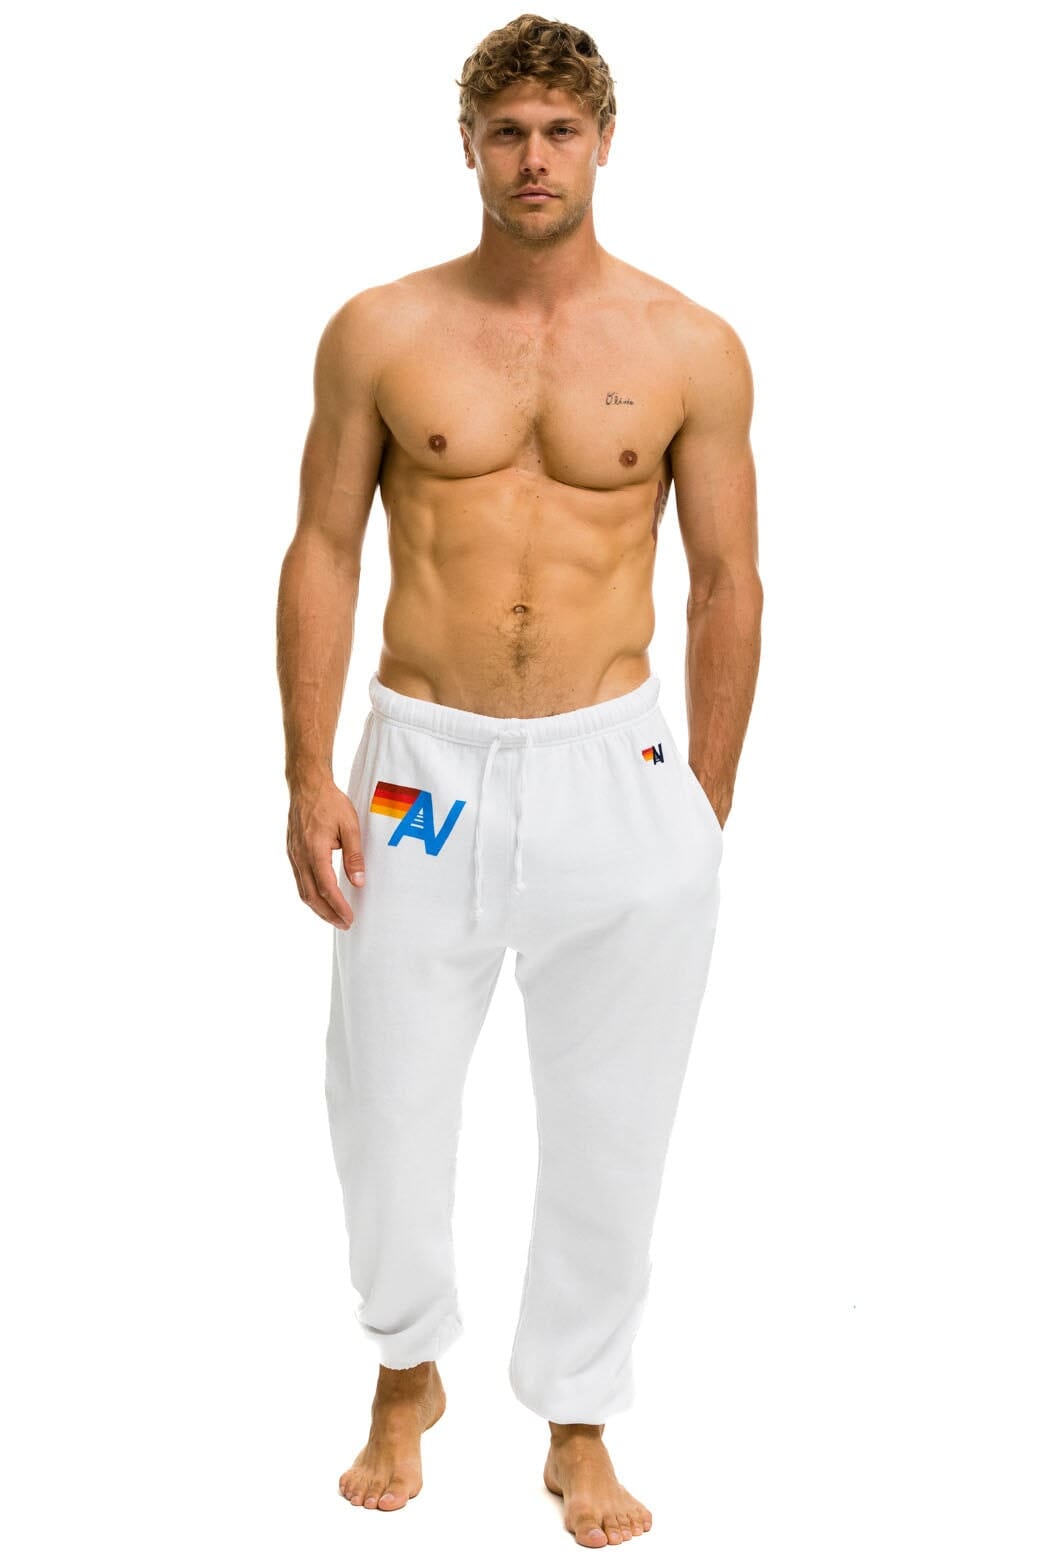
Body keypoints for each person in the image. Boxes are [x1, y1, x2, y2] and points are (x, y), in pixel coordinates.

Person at [276, 12, 762, 1549]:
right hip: (422, 767)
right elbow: (324, 548)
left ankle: (579, 1418)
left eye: (559, 131)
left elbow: (729, 582)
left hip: (619, 763)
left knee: (614, 1115)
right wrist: (308, 771)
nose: (533, 158)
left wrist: (700, 805)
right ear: (469, 148)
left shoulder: (689, 346)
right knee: (385, 1100)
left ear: (604, 142)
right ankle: (405, 1368)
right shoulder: (382, 330)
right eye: (508, 133)